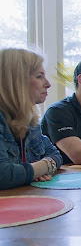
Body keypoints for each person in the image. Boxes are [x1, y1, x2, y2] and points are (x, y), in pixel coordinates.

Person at [0, 48, 63, 189]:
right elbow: (3, 175)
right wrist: (41, 167)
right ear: (16, 81)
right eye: (39, 76)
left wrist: (31, 171)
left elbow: (55, 155)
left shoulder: (29, 120)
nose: (48, 84)